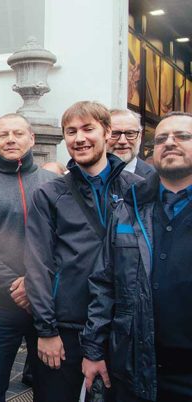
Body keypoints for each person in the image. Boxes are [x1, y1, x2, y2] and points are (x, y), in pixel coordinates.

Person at [24, 101, 141, 402]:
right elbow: (38, 264)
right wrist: (46, 331)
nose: (79, 138)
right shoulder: (49, 194)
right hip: (66, 327)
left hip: (125, 326)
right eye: (71, 131)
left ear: (107, 132)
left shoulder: (138, 190)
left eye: (88, 129)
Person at [82, 111, 192, 401]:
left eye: (182, 136)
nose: (170, 143)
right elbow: (104, 283)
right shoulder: (129, 207)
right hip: (134, 366)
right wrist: (93, 352)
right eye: (162, 139)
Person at [0, 114, 58, 402]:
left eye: (18, 133)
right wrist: (17, 285)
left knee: (52, 387)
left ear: (32, 138)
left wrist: (35, 285)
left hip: (48, 304)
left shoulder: (54, 184)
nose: (11, 139)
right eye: (3, 134)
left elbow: (64, 242)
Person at [108, 108, 155, 178]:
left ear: (140, 137)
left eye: (130, 133)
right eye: (114, 134)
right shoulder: (88, 173)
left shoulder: (158, 178)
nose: (122, 141)